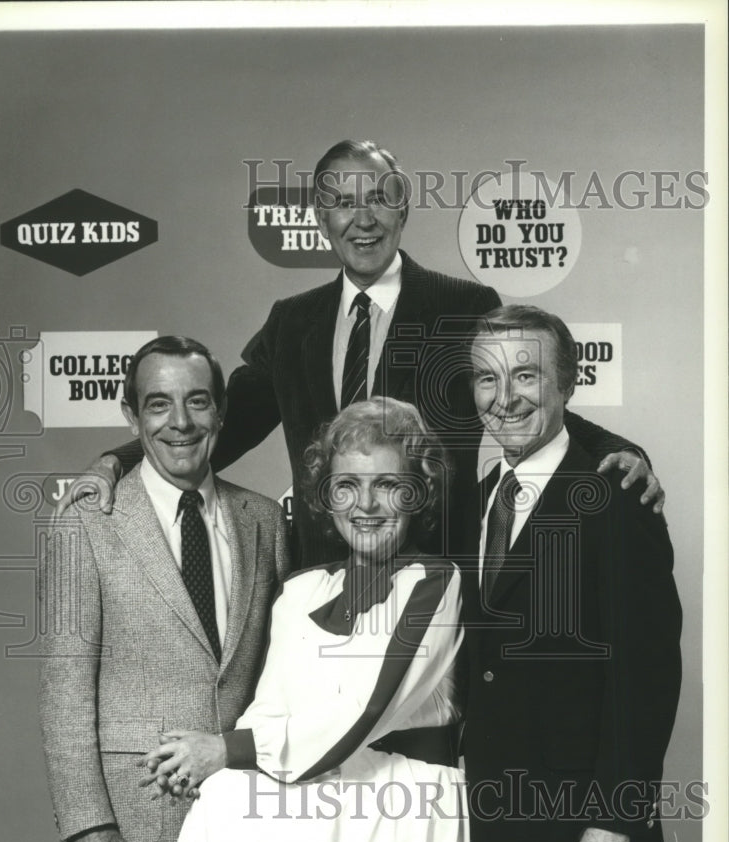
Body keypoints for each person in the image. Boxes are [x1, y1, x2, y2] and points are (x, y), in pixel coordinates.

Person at [54, 139, 664, 567]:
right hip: (320, 574)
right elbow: (225, 422)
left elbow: (517, 403)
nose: (363, 219)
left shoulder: (464, 304)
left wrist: (614, 448)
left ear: (403, 208)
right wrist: (118, 459)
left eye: (378, 198)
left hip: (435, 576)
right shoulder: (292, 322)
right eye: (344, 203)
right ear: (322, 217)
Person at [139, 398, 470, 842]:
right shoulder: (302, 591)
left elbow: (363, 711)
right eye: (346, 486)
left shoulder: (435, 584)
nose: (365, 505)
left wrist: (225, 749)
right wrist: (231, 752)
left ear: (419, 494)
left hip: (402, 811)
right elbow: (267, 713)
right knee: (220, 803)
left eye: (387, 484)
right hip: (313, 800)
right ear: (326, 497)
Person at [39, 336, 290, 842]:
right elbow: (66, 683)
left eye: (197, 402)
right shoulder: (86, 523)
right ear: (131, 416)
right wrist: (87, 825)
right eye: (158, 405)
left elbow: (277, 674)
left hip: (244, 823)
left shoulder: (263, 519)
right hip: (131, 829)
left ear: (222, 412)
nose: (180, 423)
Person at [461, 305, 682, 842]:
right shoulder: (474, 501)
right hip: (495, 836)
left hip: (581, 836)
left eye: (525, 376)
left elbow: (644, 674)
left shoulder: (613, 496)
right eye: (485, 379)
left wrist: (615, 818)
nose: (503, 399)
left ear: (567, 384)